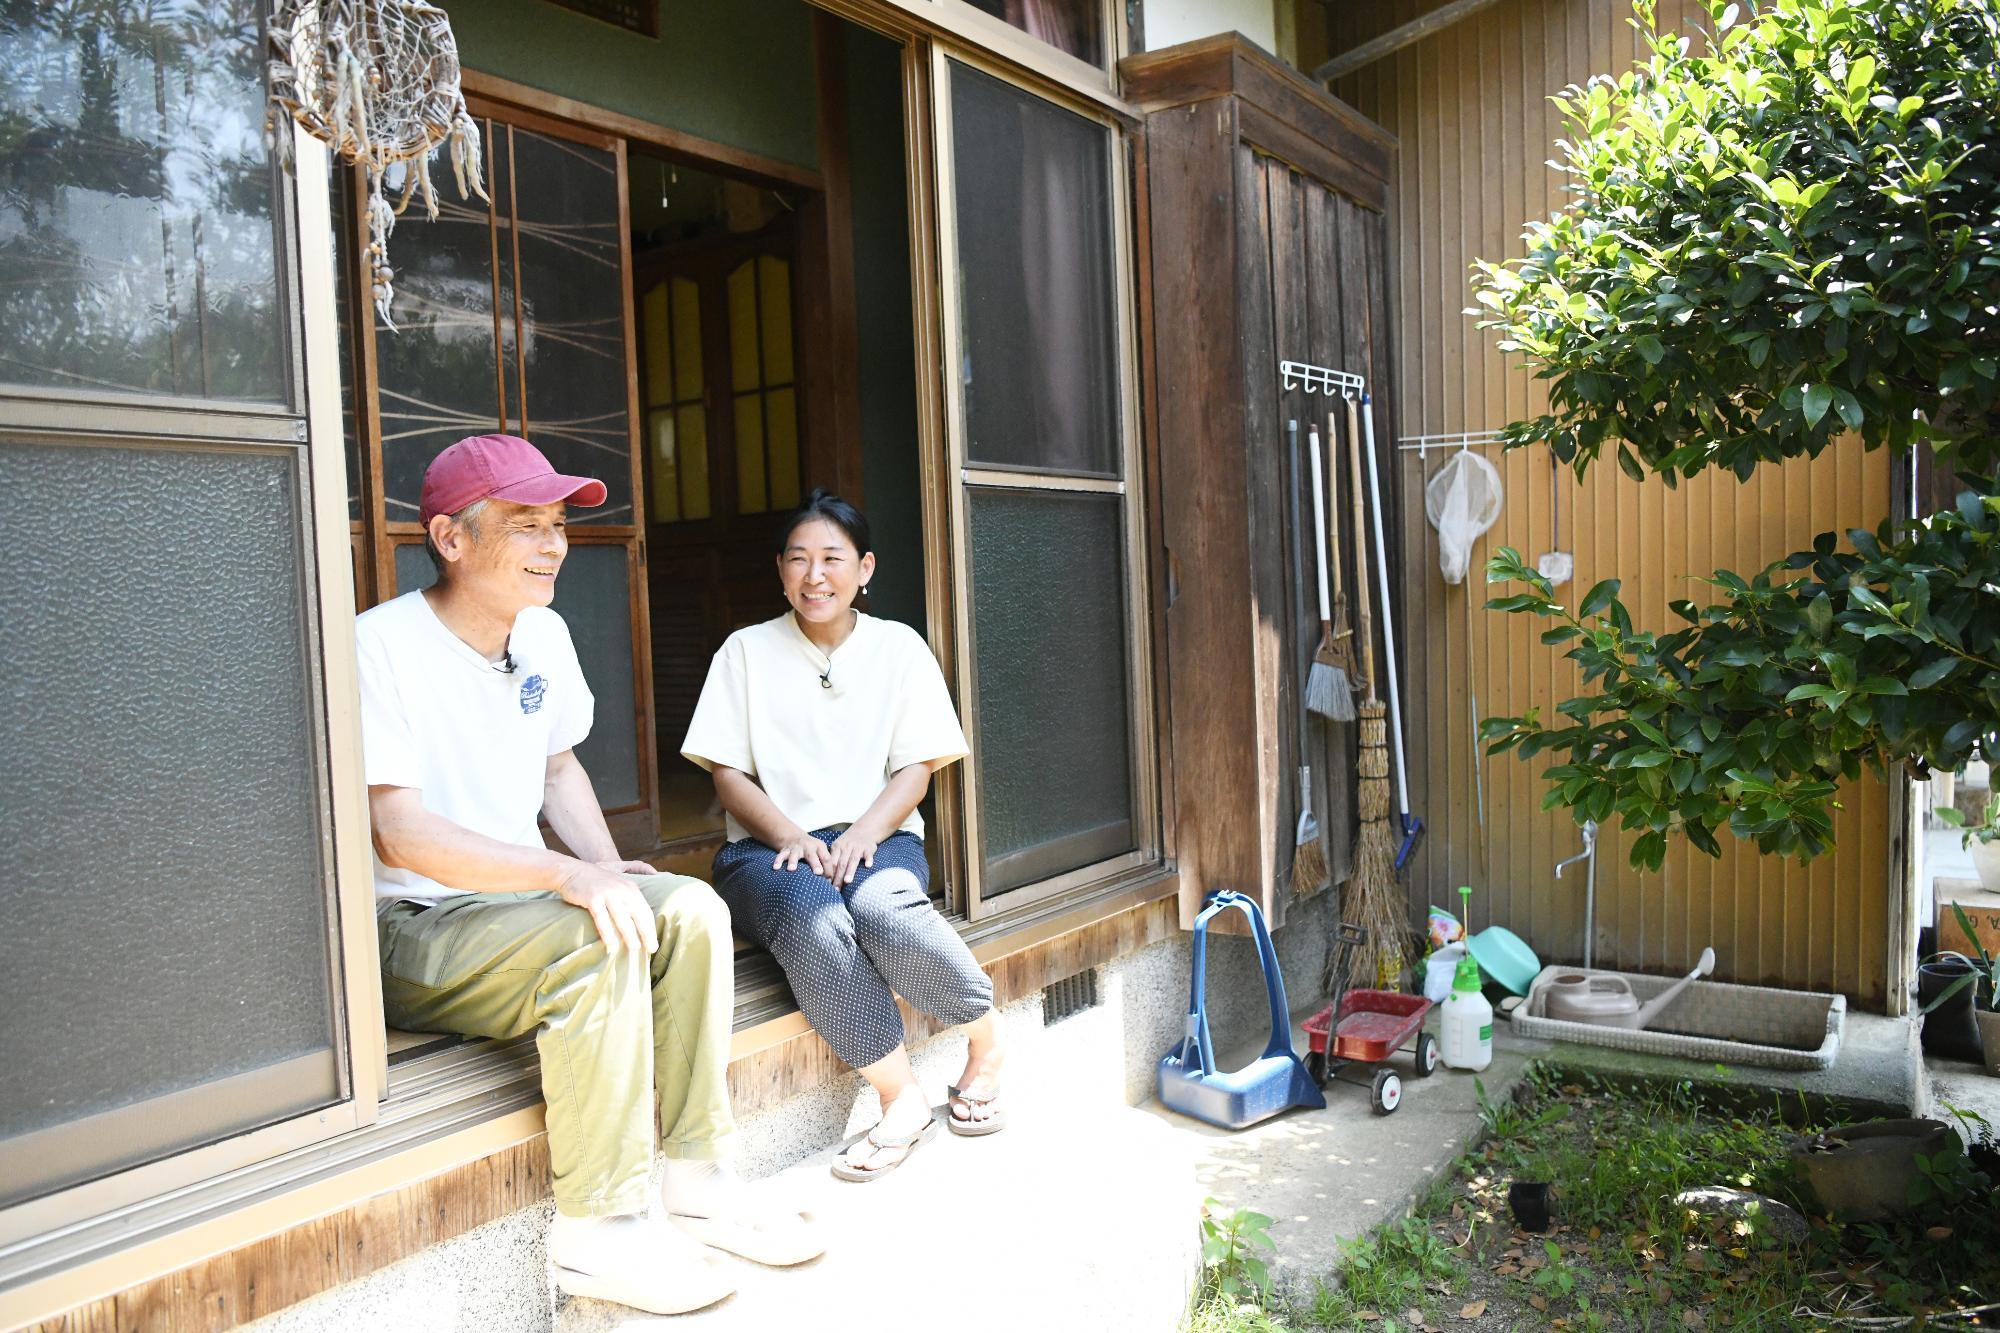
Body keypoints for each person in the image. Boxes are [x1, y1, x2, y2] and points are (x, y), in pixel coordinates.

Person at [358, 434, 822, 1316]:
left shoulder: (543, 633)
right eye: (526, 525)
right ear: (451, 540)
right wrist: (570, 880)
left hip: (515, 902)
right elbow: (399, 833)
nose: (554, 544)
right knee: (588, 940)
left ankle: (699, 1177)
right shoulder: (377, 646)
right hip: (413, 922)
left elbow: (556, 768)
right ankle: (597, 1233)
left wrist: (608, 870)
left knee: (685, 907)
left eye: (559, 524)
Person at [681, 490, 1006, 1183]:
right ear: (780, 569)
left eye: (832, 558)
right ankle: (901, 1097)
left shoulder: (898, 647)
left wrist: (864, 830)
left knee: (882, 908)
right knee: (814, 918)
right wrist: (791, 833)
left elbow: (916, 767)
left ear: (865, 568)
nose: (815, 575)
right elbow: (726, 770)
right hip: (767, 848)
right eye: (799, 559)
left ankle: (986, 1042)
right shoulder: (745, 651)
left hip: (879, 834)